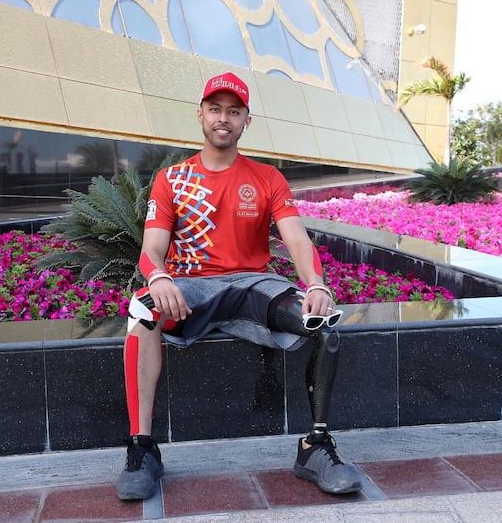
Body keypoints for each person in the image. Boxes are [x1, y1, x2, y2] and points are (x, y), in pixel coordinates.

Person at [116, 72, 364, 500]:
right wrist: (158, 277)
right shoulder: (172, 179)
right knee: (141, 312)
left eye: (234, 111)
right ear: (200, 115)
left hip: (253, 286)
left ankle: (315, 447)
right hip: (192, 288)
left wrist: (316, 284)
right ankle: (142, 449)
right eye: (215, 109)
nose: (223, 118)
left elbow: (298, 240)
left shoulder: (268, 178)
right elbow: (151, 248)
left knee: (321, 324)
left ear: (247, 120)